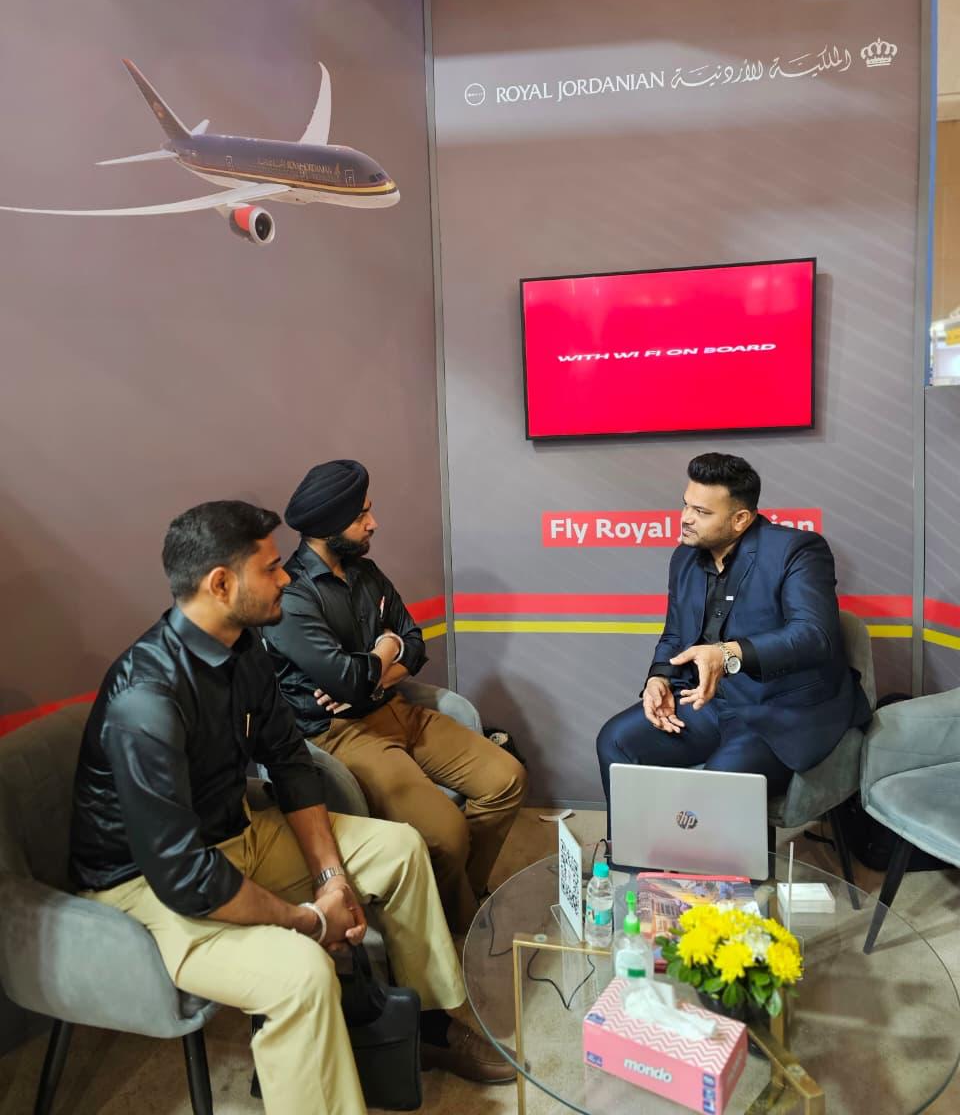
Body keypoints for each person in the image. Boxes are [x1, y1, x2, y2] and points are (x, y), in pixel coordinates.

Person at [69, 501, 515, 1115]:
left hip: (235, 835)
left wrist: (331, 879)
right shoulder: (147, 698)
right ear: (221, 584)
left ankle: (430, 1027)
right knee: (302, 972)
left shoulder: (243, 648)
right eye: (272, 567)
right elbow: (184, 874)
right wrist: (309, 921)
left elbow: (289, 761)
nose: (286, 578)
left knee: (401, 848)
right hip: (145, 887)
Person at [263, 460, 528, 934]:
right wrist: (386, 647)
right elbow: (353, 678)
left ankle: (457, 899)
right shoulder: (293, 597)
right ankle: (459, 926)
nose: (373, 523)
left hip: (396, 707)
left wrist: (378, 674)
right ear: (328, 526)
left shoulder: (366, 573)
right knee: (445, 833)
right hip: (342, 734)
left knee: (506, 779)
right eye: (361, 516)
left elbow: (415, 644)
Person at [596, 453, 870, 820]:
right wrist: (659, 678)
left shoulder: (797, 550)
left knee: (717, 789)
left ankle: (707, 859)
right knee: (616, 740)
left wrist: (727, 654)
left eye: (701, 512)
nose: (686, 518)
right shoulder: (685, 558)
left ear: (740, 519)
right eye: (686, 505)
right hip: (707, 704)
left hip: (778, 713)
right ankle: (633, 852)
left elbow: (814, 635)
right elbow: (675, 633)